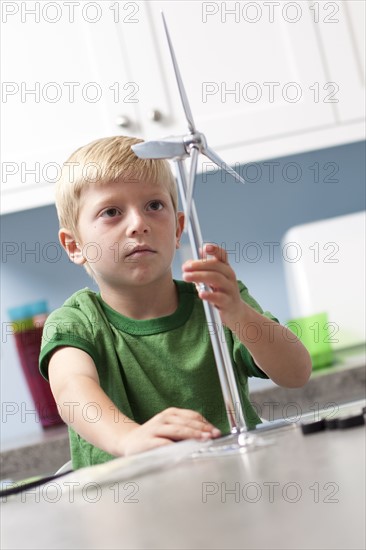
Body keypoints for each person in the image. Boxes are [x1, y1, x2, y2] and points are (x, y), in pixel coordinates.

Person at [39, 136, 311, 470]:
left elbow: (296, 373)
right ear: (74, 245)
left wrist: (238, 313)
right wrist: (127, 439)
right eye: (111, 212)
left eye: (154, 206)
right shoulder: (76, 322)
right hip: (126, 507)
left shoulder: (217, 298)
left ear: (178, 227)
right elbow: (72, 390)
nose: (139, 224)